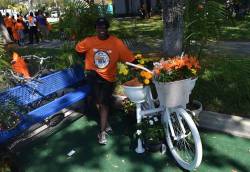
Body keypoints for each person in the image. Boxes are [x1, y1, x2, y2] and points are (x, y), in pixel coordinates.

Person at [75, 17, 135, 145]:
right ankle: (105, 122)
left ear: (107, 28)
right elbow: (78, 49)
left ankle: (102, 132)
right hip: (93, 74)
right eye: (99, 27)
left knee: (104, 102)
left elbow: (128, 57)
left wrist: (139, 66)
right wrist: (85, 57)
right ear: (96, 28)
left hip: (108, 77)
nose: (101, 30)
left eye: (104, 27)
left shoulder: (116, 42)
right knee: (98, 101)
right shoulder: (90, 41)